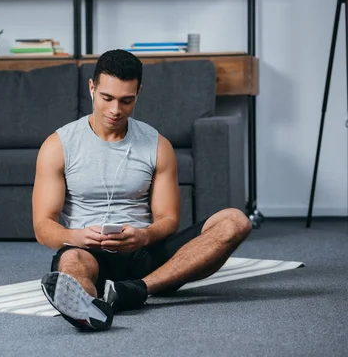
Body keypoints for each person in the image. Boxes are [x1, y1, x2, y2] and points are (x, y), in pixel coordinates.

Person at [32, 49, 252, 331]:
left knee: (236, 221)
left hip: (145, 252)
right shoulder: (58, 145)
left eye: (126, 100)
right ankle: (86, 307)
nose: (115, 110)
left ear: (138, 93)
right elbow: (43, 226)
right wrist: (76, 236)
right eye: (107, 98)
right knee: (72, 261)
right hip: (89, 252)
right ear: (92, 88)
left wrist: (144, 235)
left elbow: (169, 219)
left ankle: (136, 289)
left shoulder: (158, 145)